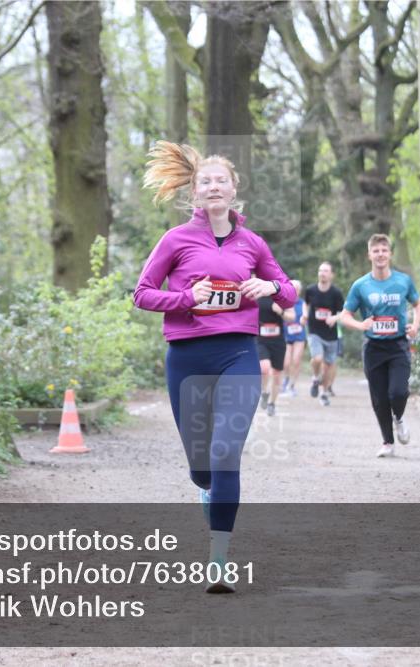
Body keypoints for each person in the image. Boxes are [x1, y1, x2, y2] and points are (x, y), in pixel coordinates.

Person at [133, 141, 296, 593]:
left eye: (221, 179)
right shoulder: (175, 240)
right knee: (202, 467)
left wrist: (269, 286)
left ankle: (218, 559)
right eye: (205, 180)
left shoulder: (252, 242)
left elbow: (287, 291)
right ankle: (204, 486)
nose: (213, 186)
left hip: (238, 354)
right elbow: (142, 293)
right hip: (186, 358)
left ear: (233, 188)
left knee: (226, 452)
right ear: (195, 191)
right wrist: (188, 298)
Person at [340, 234, 420, 458]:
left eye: (384, 251)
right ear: (369, 255)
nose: (380, 255)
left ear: (390, 254)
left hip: (398, 345)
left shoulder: (403, 281)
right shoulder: (361, 285)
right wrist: (360, 324)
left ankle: (399, 416)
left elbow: (418, 303)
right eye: (376, 251)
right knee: (379, 397)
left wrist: (415, 325)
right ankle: (387, 442)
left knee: (398, 391)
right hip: (373, 347)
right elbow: (345, 315)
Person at [303, 262, 344, 406]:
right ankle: (315, 377)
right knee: (317, 358)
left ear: (331, 275)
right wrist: (305, 315)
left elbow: (342, 313)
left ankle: (324, 393)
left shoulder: (336, 293)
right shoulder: (311, 290)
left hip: (331, 334)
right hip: (314, 331)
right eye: (320, 270)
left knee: (328, 366)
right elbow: (306, 304)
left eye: (326, 271)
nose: (322, 273)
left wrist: (334, 318)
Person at [256, 293, 288, 416]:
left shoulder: (282, 296)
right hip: (261, 340)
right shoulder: (256, 296)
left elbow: (292, 317)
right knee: (264, 368)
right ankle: (264, 391)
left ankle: (272, 404)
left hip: (278, 342)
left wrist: (281, 312)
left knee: (277, 374)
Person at [280, 280, 306, 397]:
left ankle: (292, 385)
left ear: (299, 291)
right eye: (292, 288)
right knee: (286, 363)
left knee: (296, 360)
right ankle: (285, 380)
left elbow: (305, 315)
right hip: (286, 335)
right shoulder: (283, 302)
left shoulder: (302, 303)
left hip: (299, 335)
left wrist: (304, 319)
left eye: (296, 289)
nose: (294, 291)